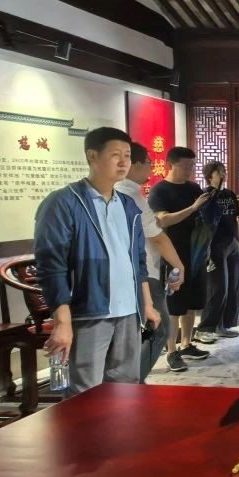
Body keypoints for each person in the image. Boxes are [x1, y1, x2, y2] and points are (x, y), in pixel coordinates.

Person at [34, 126, 161, 394]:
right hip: (90, 311)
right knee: (85, 392)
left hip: (128, 311)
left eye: (127, 155)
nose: (123, 162)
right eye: (115, 155)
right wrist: (62, 321)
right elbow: (51, 265)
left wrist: (147, 304)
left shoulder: (127, 205)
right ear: (92, 156)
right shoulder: (64, 202)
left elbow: (138, 261)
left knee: (126, 389)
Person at [116, 143, 187, 381]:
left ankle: (127, 381)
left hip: (132, 274)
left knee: (137, 332)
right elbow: (157, 238)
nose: (151, 167)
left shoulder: (120, 192)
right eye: (148, 162)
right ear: (134, 164)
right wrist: (179, 265)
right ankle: (131, 382)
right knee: (160, 328)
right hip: (144, 274)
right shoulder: (131, 195)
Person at [149, 146, 217, 372]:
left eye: (192, 166)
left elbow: (202, 219)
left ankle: (186, 343)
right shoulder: (159, 191)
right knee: (173, 303)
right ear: (171, 164)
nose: (190, 170)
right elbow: (163, 220)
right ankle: (171, 350)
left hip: (196, 253)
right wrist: (193, 207)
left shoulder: (193, 188)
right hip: (172, 254)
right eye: (186, 166)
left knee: (192, 301)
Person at [195, 161, 239, 343]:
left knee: (233, 286)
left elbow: (235, 220)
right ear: (210, 176)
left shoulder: (229, 194)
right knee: (218, 287)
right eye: (219, 172)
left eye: (224, 171)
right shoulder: (205, 196)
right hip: (215, 245)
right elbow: (203, 225)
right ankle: (205, 328)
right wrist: (206, 249)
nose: (223, 174)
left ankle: (223, 325)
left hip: (232, 243)